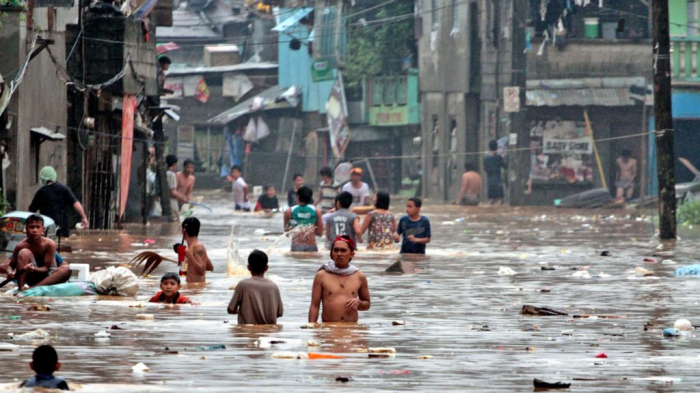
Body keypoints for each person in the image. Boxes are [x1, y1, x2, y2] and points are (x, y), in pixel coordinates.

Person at [308, 235, 370, 323]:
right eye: (336, 250)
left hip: (351, 330)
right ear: (331, 253)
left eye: (343, 250)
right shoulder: (321, 275)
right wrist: (311, 327)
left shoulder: (359, 276)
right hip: (329, 330)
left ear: (352, 254)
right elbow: (314, 306)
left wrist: (358, 303)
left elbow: (367, 304)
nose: (339, 254)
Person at [0, 214, 70, 290]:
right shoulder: (21, 246)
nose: (34, 230)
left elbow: (46, 268)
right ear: (26, 229)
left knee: (66, 268)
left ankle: (33, 288)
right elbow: (10, 266)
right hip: (31, 277)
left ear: (42, 230)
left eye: (37, 227)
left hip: (48, 276)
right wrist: (10, 272)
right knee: (24, 252)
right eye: (31, 227)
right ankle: (21, 288)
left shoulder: (49, 244)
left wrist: (33, 269)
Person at [28, 166, 89, 237]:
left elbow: (31, 212)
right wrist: (84, 217)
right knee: (63, 245)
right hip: (63, 228)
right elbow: (75, 203)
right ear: (54, 176)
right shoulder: (64, 189)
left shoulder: (41, 192)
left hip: (48, 229)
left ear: (42, 178)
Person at [227, 250, 283, 324]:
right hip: (270, 334)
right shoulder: (274, 287)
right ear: (266, 268)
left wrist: (245, 312)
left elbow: (231, 309)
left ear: (248, 267)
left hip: (246, 333)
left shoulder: (243, 285)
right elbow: (279, 313)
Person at [283, 186, 323, 252]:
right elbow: (320, 233)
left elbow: (287, 233)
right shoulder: (316, 211)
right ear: (310, 198)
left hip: (296, 246)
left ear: (297, 198)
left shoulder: (288, 212)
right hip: (311, 246)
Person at [180, 217, 213, 283]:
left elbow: (201, 271)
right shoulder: (190, 247)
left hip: (196, 290)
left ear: (183, 231)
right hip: (191, 287)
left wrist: (190, 256)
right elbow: (210, 268)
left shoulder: (198, 247)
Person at [483, 140, 506, 205]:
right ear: (496, 147)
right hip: (497, 181)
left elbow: (484, 168)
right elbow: (504, 165)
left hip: (490, 181)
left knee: (491, 199)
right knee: (499, 199)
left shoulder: (485, 158)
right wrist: (503, 158)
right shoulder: (498, 157)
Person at [166, 155, 187, 221]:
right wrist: (183, 197)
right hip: (172, 202)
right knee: (174, 221)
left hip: (167, 201)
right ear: (174, 164)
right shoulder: (171, 174)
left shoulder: (165, 172)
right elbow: (172, 191)